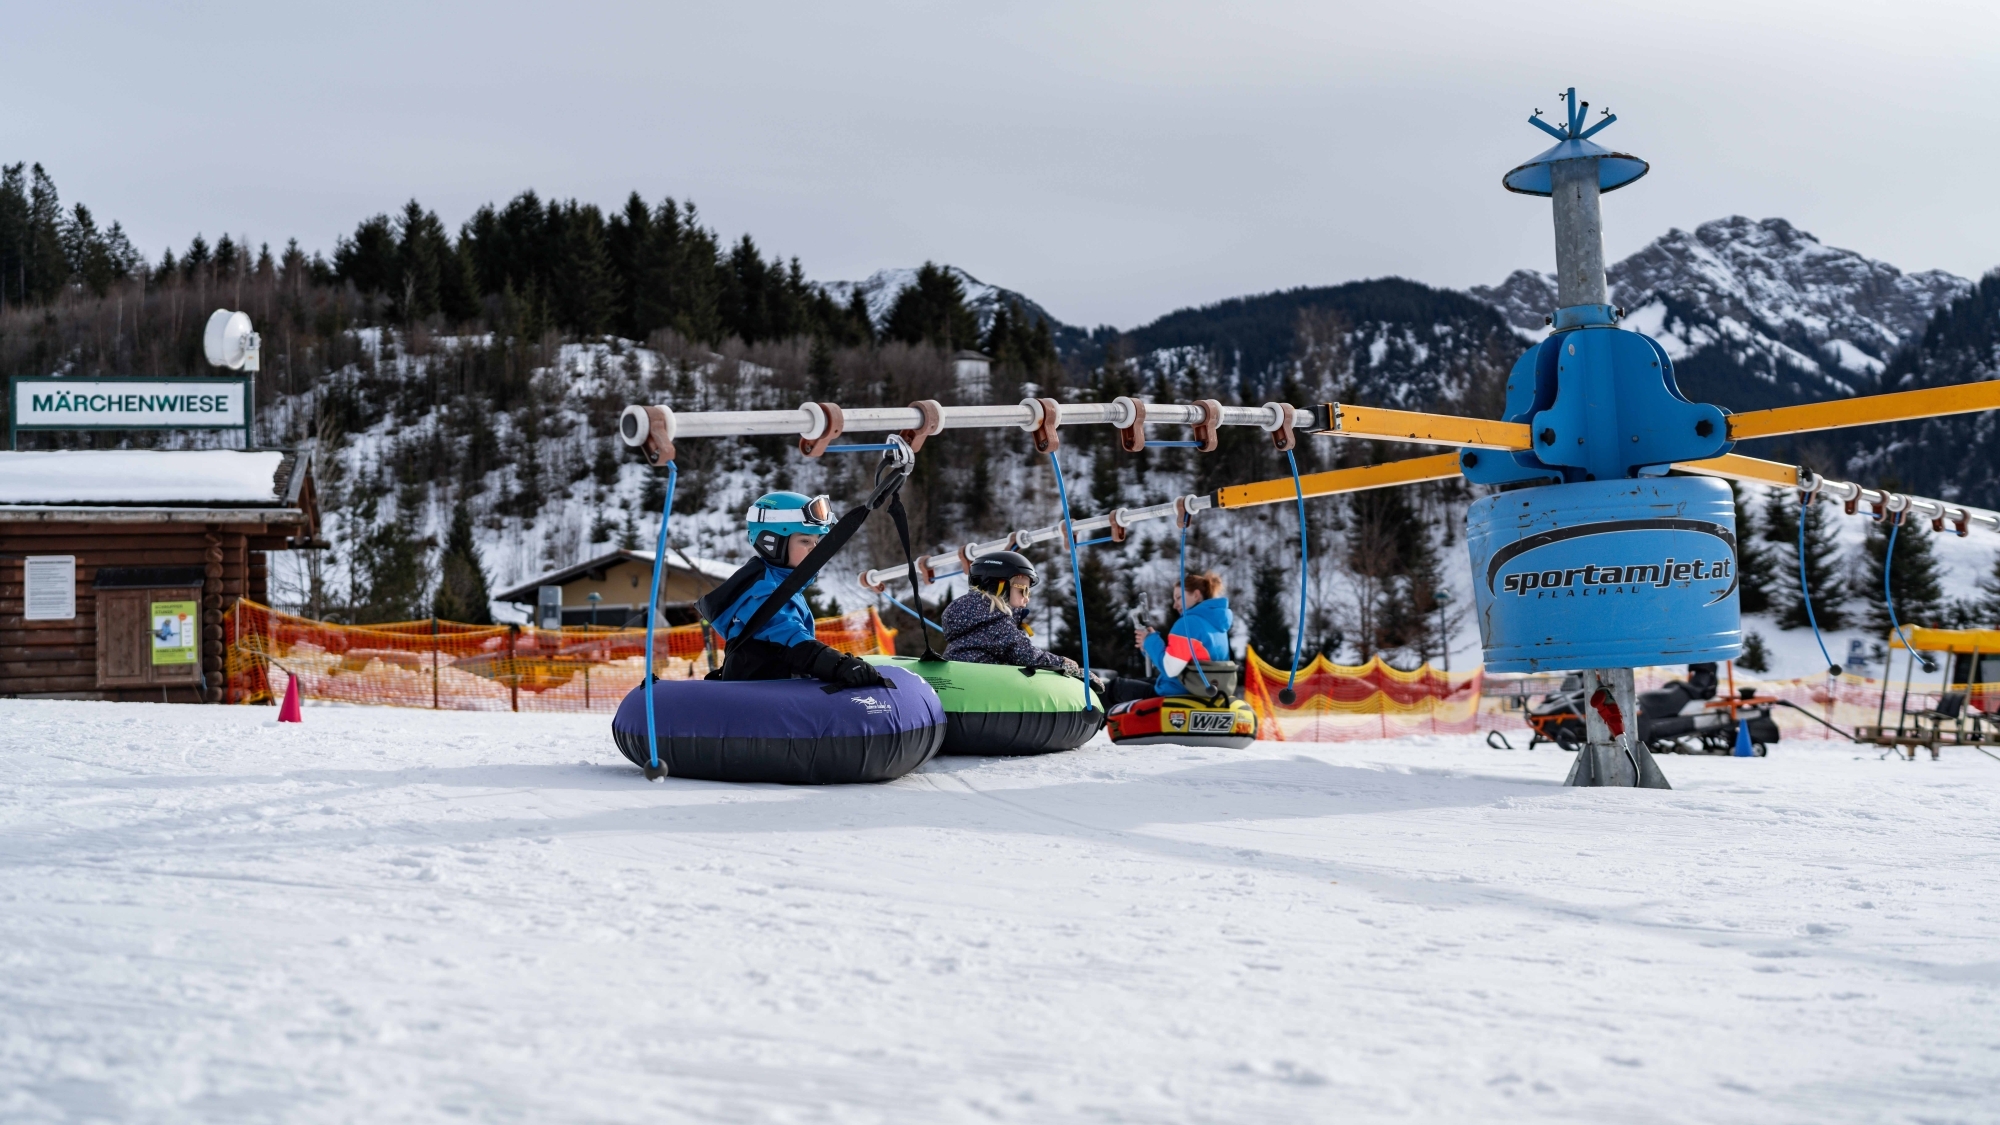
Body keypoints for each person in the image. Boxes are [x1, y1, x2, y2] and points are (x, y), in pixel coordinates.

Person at [708, 491, 887, 687]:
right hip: (760, 699)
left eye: (816, 541)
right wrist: (840, 665)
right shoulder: (764, 593)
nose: (814, 549)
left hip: (775, 693)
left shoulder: (782, 586)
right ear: (771, 541)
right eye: (805, 541)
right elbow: (792, 641)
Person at [940, 551, 1084, 678]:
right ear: (1000, 587)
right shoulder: (994, 621)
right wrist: (1064, 664)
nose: (1027, 598)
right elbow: (1026, 655)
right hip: (978, 687)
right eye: (1023, 590)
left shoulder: (970, 618)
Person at [1102, 571, 1233, 706]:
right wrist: (1149, 645)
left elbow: (1170, 669)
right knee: (1141, 682)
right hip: (1198, 689)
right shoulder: (1216, 625)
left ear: (1196, 595)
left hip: (1178, 692)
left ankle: (1091, 716)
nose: (1175, 605)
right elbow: (1182, 661)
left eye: (1178, 598)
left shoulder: (1188, 623)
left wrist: (1150, 641)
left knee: (1114, 688)